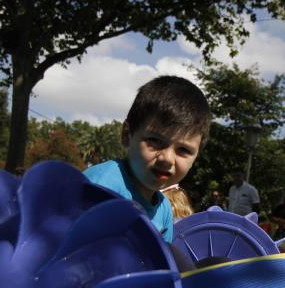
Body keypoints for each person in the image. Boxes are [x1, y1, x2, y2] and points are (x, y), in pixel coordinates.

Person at [83, 76, 211, 243]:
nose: (167, 159)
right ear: (127, 135)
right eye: (155, 141)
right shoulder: (102, 185)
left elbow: (162, 263)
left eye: (183, 150)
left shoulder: (164, 208)